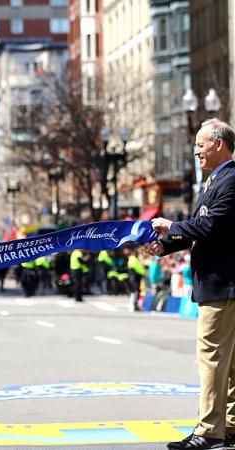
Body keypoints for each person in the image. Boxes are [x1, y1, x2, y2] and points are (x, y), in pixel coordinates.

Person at [145, 118, 235, 450]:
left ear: (219, 144)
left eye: (200, 144)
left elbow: (209, 227)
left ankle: (209, 431)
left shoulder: (231, 180)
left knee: (211, 356)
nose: (195, 150)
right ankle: (229, 426)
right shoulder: (214, 180)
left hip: (222, 282)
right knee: (229, 360)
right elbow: (199, 228)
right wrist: (165, 245)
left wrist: (170, 226)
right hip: (220, 282)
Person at [124, 246, 146, 312]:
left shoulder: (131, 259)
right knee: (136, 291)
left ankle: (133, 305)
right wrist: (144, 272)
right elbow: (139, 269)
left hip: (132, 278)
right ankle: (135, 306)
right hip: (135, 278)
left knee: (133, 292)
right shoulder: (133, 259)